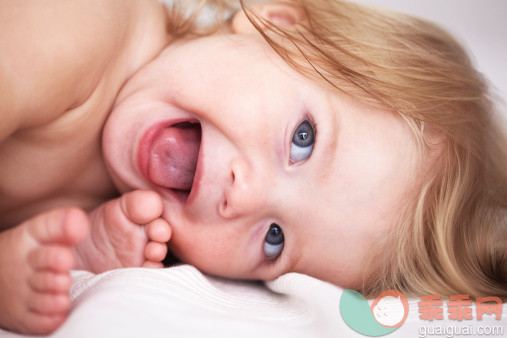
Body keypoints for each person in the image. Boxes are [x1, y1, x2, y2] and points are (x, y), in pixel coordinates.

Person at [1, 0, 505, 334]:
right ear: (279, 24)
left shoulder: (124, 210)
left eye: (275, 239)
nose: (245, 197)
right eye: (302, 140)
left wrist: (75, 250)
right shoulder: (79, 28)